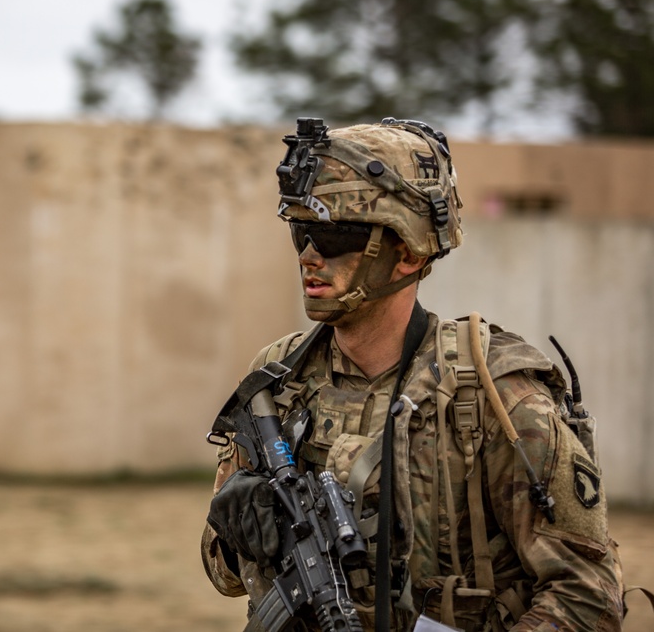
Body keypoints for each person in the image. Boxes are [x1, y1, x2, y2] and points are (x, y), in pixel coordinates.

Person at [200, 118, 624, 631]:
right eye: (301, 232)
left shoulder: (493, 392)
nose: (310, 256)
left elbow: (588, 593)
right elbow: (223, 575)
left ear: (409, 252)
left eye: (335, 235)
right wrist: (240, 534)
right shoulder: (277, 382)